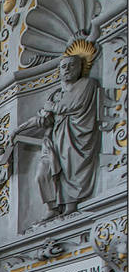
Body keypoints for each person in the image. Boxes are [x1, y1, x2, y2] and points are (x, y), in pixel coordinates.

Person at [16, 51, 103, 219]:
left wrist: (53, 108)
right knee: (42, 174)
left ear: (80, 68)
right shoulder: (56, 94)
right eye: (64, 66)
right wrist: (17, 130)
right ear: (59, 71)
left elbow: (77, 105)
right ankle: (52, 208)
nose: (67, 69)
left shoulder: (87, 84)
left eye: (72, 65)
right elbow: (44, 118)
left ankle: (70, 205)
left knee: (72, 169)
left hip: (77, 135)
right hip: (54, 139)